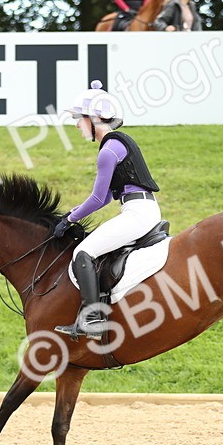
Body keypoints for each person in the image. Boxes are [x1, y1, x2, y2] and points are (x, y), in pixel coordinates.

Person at [53, 80, 162, 341]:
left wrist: (70, 218)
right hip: (140, 208)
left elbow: (97, 197)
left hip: (138, 213)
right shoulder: (116, 144)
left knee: (83, 252)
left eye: (79, 119)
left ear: (94, 118)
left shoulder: (109, 150)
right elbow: (102, 201)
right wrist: (72, 213)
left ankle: (92, 319)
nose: (77, 125)